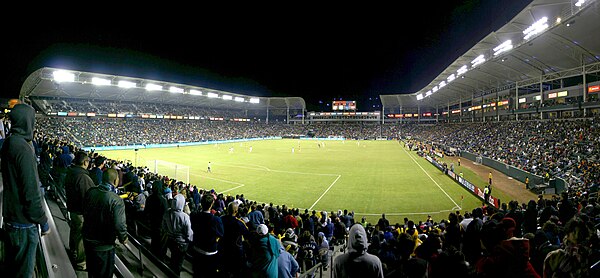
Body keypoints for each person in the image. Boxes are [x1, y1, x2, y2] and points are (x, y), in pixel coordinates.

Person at [2, 103, 50, 278]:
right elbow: (31, 192)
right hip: (24, 224)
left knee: (12, 269)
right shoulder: (23, 148)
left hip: (11, 219)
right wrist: (43, 221)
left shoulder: (9, 142)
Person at [83, 168, 128, 278]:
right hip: (104, 246)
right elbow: (119, 224)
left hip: (88, 242)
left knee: (92, 273)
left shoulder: (91, 191)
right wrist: (123, 238)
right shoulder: (116, 200)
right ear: (115, 180)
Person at [65, 151, 96, 270]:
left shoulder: (71, 172)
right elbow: (88, 197)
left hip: (73, 209)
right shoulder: (83, 177)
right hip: (80, 212)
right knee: (80, 238)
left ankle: (73, 251)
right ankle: (81, 262)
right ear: (85, 162)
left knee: (75, 232)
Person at [190, 193, 224, 277]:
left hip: (197, 249)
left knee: (197, 273)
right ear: (212, 204)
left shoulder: (194, 216)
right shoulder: (216, 220)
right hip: (210, 253)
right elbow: (221, 234)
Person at [162, 194, 193, 276]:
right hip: (181, 244)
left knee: (173, 260)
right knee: (178, 264)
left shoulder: (167, 212)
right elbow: (189, 233)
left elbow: (164, 227)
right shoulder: (185, 217)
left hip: (171, 241)